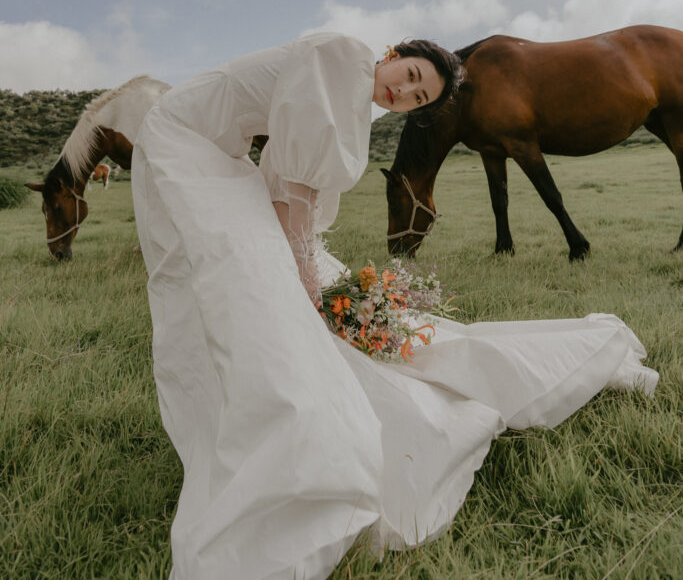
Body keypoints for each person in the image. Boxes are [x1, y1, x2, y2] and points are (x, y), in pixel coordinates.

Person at [132, 32, 657, 580]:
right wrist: (303, 268)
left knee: (257, 279)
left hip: (224, 152)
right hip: (183, 140)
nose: (403, 94)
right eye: (409, 77)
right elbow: (292, 178)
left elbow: (298, 182)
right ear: (393, 55)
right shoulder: (342, 56)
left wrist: (306, 265)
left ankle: (273, 417)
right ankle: (259, 422)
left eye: (417, 99)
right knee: (231, 277)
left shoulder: (357, 94)